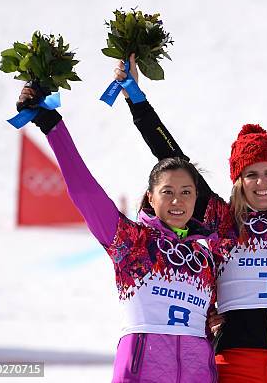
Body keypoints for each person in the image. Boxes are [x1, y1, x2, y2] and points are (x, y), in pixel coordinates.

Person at [114, 56, 267, 383]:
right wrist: (136, 99)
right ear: (238, 180)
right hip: (238, 356)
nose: (262, 182)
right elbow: (171, 157)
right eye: (251, 174)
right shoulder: (222, 219)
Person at [15, 84, 224, 383]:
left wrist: (212, 325)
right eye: (168, 192)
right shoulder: (132, 241)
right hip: (143, 372)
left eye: (186, 192)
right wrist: (52, 125)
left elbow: (210, 316)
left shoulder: (205, 257)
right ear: (151, 198)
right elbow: (85, 191)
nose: (177, 201)